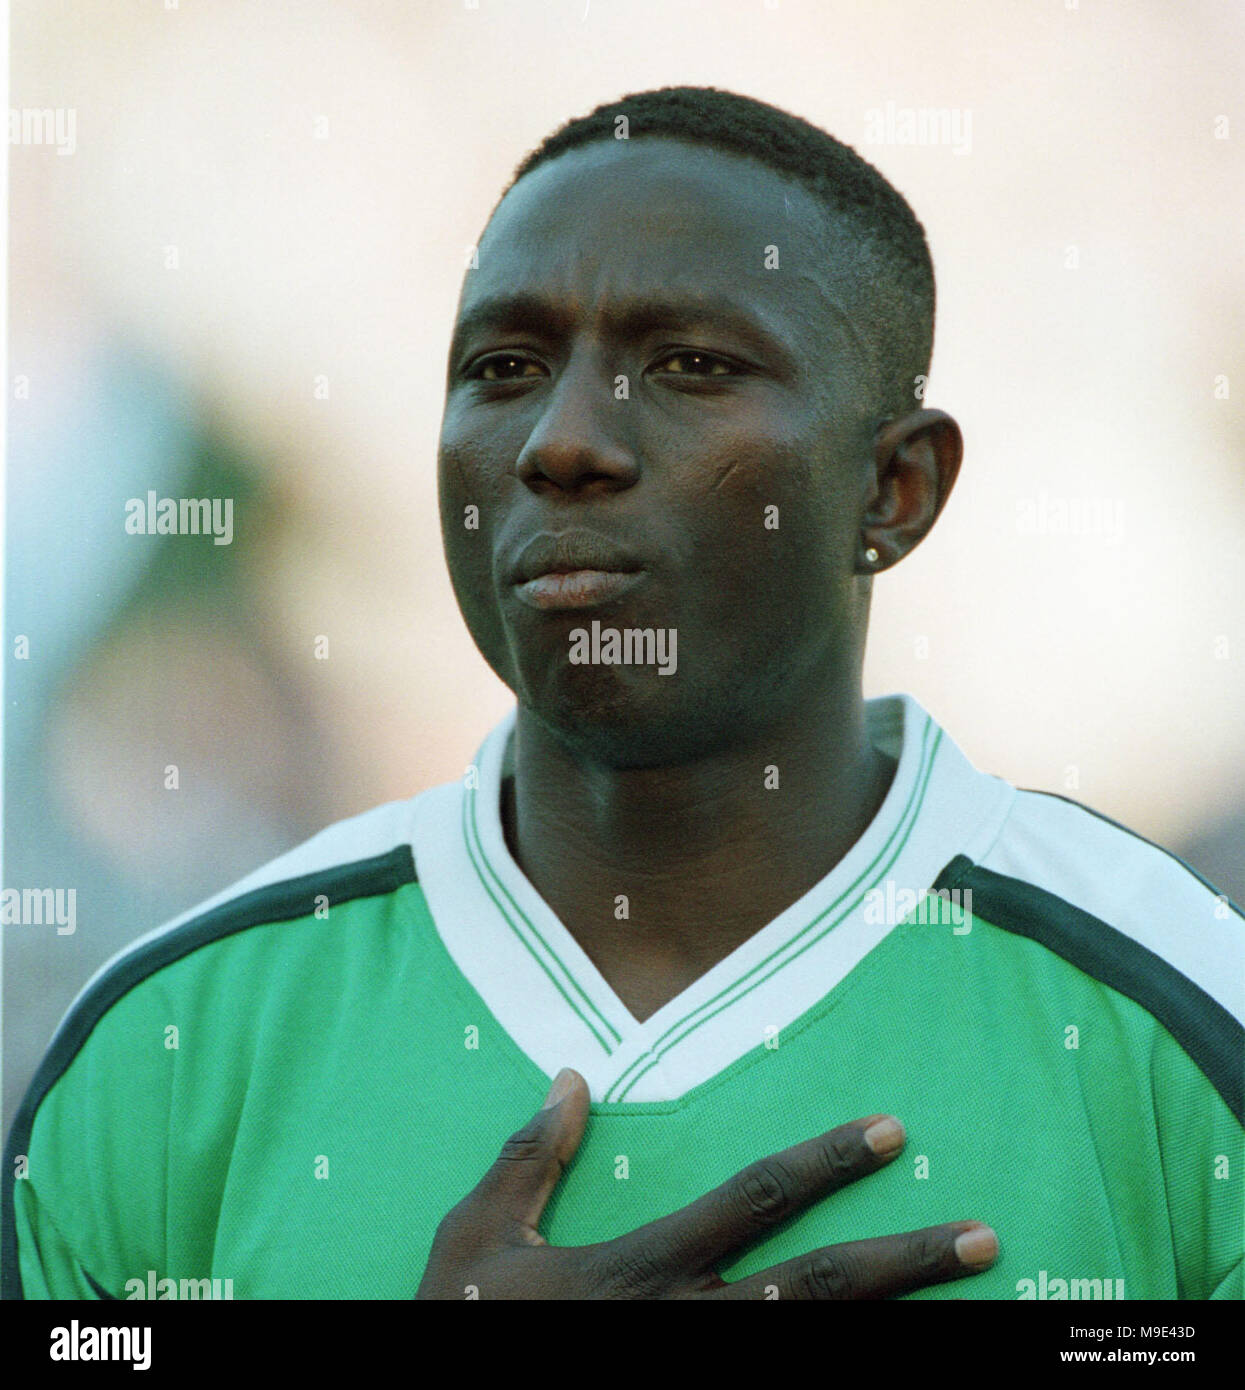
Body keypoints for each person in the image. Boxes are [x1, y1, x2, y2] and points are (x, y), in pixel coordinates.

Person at [5, 86, 1240, 1302]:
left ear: (895, 488)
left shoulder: (1178, 1013)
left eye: (691, 364)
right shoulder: (167, 1045)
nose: (563, 439)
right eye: (503, 365)